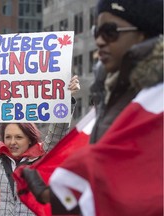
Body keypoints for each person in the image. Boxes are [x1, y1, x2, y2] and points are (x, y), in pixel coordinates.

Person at [21, 0, 163, 215]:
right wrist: (56, 196)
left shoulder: (155, 99)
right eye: (97, 31)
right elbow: (108, 178)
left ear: (143, 33)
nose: (99, 41)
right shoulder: (112, 92)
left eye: (110, 32)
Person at [0, 75, 80, 216]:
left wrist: (66, 99)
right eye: (8, 137)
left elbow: (57, 134)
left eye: (18, 137)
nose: (12, 142)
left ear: (29, 139)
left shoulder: (42, 158)